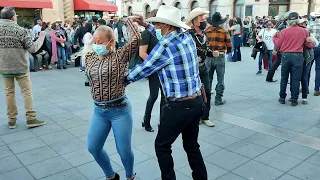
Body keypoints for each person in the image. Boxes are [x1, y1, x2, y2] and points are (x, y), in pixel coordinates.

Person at [127, 5, 208, 180]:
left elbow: (143, 69)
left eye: (158, 24)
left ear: (168, 26)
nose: (156, 27)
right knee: (192, 145)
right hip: (196, 102)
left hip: (178, 106)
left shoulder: (165, 47)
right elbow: (160, 37)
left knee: (162, 146)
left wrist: (121, 78)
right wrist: (147, 26)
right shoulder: (186, 37)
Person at [85, 16, 141, 180]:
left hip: (119, 110)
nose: (97, 45)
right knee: (93, 147)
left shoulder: (120, 56)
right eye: (95, 41)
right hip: (99, 111)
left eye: (101, 42)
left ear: (111, 42)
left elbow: (136, 38)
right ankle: (110, 175)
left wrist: (127, 20)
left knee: (123, 150)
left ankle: (130, 176)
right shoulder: (90, 58)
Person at [0, 6, 46, 129]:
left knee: (9, 93)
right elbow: (33, 48)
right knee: (26, 92)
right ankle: (31, 119)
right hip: (20, 66)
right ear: (13, 16)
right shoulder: (20, 30)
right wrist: (41, 37)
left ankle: (12, 120)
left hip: (4, 67)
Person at [273, 12, 314, 106]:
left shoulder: (284, 31)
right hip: (298, 56)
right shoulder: (304, 31)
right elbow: (309, 45)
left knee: (284, 78)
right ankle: (294, 99)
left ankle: (282, 97)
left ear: (289, 21)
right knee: (295, 79)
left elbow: (278, 45)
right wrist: (312, 43)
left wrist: (275, 38)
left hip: (286, 56)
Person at [186, 8, 215, 127]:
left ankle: (205, 116)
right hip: (192, 70)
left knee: (207, 92)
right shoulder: (188, 34)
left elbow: (206, 49)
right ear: (194, 22)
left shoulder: (204, 34)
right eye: (202, 19)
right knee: (193, 94)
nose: (205, 21)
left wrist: (212, 53)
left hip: (203, 68)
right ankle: (195, 117)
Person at [139, 9, 162, 132]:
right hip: (154, 69)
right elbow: (142, 53)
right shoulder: (147, 33)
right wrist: (154, 65)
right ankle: (146, 119)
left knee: (165, 96)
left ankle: (162, 121)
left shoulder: (164, 32)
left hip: (165, 69)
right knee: (153, 96)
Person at [206, 12, 232, 106]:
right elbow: (229, 45)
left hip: (208, 56)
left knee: (208, 78)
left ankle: (207, 99)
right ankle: (218, 99)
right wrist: (228, 51)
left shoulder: (207, 30)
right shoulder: (224, 31)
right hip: (220, 56)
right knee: (220, 79)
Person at [297, 18, 318, 104]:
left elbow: (315, 43)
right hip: (300, 56)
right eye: (302, 24)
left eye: (304, 24)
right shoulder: (300, 31)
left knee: (304, 76)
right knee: (301, 76)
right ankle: (300, 95)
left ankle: (304, 95)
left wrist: (311, 41)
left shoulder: (308, 32)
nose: (303, 25)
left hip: (306, 56)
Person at [310, 12, 320, 96]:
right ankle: (317, 89)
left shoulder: (311, 25)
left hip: (312, 47)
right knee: (319, 69)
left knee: (307, 68)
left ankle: (304, 87)